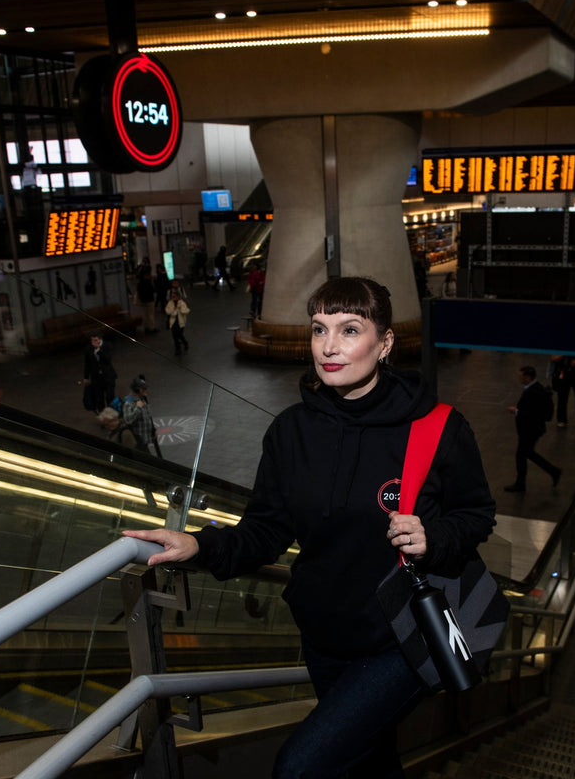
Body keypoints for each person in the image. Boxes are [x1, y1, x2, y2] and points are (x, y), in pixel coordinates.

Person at [123, 276, 497, 779]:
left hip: (401, 639)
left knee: (300, 768)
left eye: (349, 330)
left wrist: (437, 537)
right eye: (319, 329)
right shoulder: (291, 432)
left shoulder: (437, 427)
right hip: (324, 637)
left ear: (384, 343)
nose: (329, 346)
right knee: (366, 756)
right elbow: (265, 530)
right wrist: (198, 545)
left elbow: (476, 514)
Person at [505, 365, 561, 492]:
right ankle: (553, 472)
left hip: (531, 430)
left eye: (521, 376)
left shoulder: (533, 391)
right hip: (532, 429)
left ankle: (521, 484)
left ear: (528, 377)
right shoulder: (534, 388)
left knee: (522, 455)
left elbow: (533, 412)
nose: (519, 378)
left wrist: (517, 411)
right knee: (527, 454)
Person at [82, 332, 117, 413]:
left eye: (95, 340)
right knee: (99, 399)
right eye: (92, 340)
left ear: (100, 340)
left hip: (108, 376)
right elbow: (87, 364)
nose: (93, 342)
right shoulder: (88, 349)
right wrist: (86, 377)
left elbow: (108, 360)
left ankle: (111, 415)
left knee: (110, 397)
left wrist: (99, 350)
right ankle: (102, 417)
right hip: (96, 378)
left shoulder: (107, 345)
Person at [122, 375, 157, 455]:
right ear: (137, 390)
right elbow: (128, 420)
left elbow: (147, 415)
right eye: (144, 389)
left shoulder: (141, 399)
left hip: (144, 439)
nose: (146, 390)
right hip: (137, 440)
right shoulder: (128, 403)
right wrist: (137, 408)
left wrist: (153, 429)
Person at [165, 290, 190, 354]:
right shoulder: (170, 303)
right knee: (174, 336)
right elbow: (167, 310)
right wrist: (172, 311)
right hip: (173, 323)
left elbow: (186, 311)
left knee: (179, 335)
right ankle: (177, 348)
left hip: (180, 323)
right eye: (172, 296)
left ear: (178, 297)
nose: (173, 298)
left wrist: (180, 309)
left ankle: (185, 342)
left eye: (175, 296)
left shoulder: (182, 303)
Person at [135, 263, 158, 333]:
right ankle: (152, 327)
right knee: (150, 314)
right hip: (150, 300)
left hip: (143, 301)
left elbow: (139, 292)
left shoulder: (140, 283)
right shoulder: (148, 282)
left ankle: (146, 327)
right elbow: (153, 290)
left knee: (145, 314)